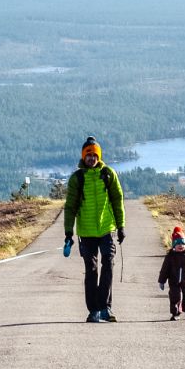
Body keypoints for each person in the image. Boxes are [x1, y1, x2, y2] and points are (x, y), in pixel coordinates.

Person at [63, 136, 125, 323]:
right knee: (91, 271)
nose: (91, 158)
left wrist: (121, 226)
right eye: (88, 155)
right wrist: (68, 233)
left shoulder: (108, 174)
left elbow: (117, 200)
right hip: (86, 232)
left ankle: (105, 308)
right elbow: (70, 207)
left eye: (94, 155)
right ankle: (94, 311)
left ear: (99, 156)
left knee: (108, 265)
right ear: (84, 157)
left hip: (107, 229)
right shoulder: (78, 178)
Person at [158, 226, 185, 320]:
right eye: (178, 244)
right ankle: (175, 313)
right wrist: (162, 281)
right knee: (175, 296)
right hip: (174, 281)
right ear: (174, 245)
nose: (181, 246)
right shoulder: (170, 256)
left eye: (182, 243)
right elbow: (164, 270)